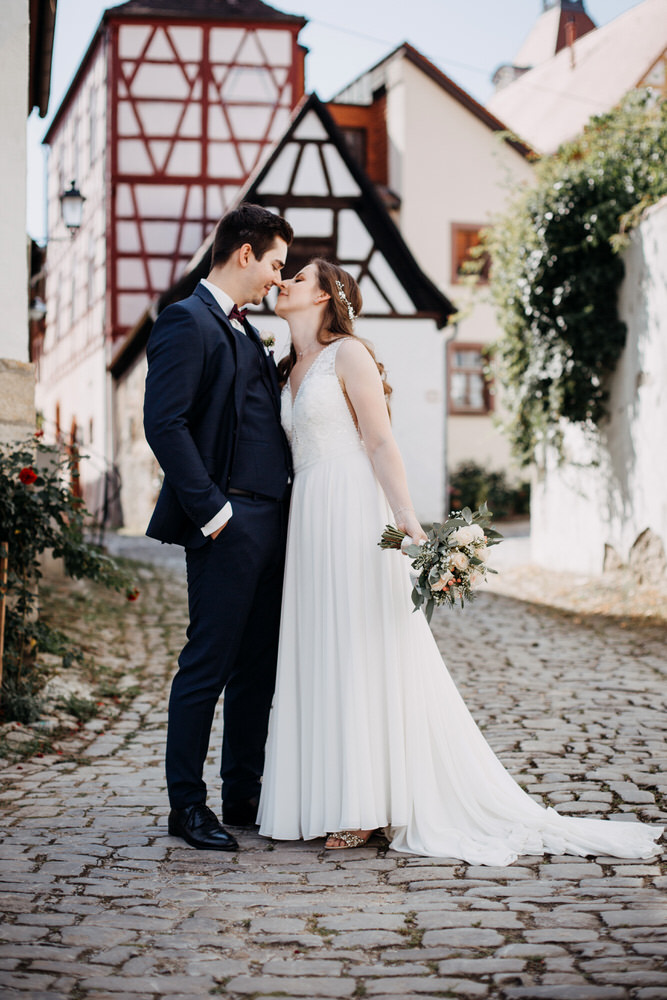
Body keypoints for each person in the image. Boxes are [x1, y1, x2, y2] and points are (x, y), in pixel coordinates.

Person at [257, 258, 663, 863]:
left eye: (298, 278)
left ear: (323, 299)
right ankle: (323, 794)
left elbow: (379, 440)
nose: (283, 282)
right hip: (309, 515)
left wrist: (410, 524)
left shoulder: (349, 355)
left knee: (362, 646)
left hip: (352, 513)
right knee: (321, 644)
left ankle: (367, 807)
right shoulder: (289, 368)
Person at [144, 204, 293, 851]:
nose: (277, 280)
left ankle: (242, 792)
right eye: (275, 264)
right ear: (243, 253)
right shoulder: (186, 321)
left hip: (274, 521)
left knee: (257, 668)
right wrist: (214, 512)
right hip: (227, 521)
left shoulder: (244, 332)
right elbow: (164, 423)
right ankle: (187, 805)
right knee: (207, 664)